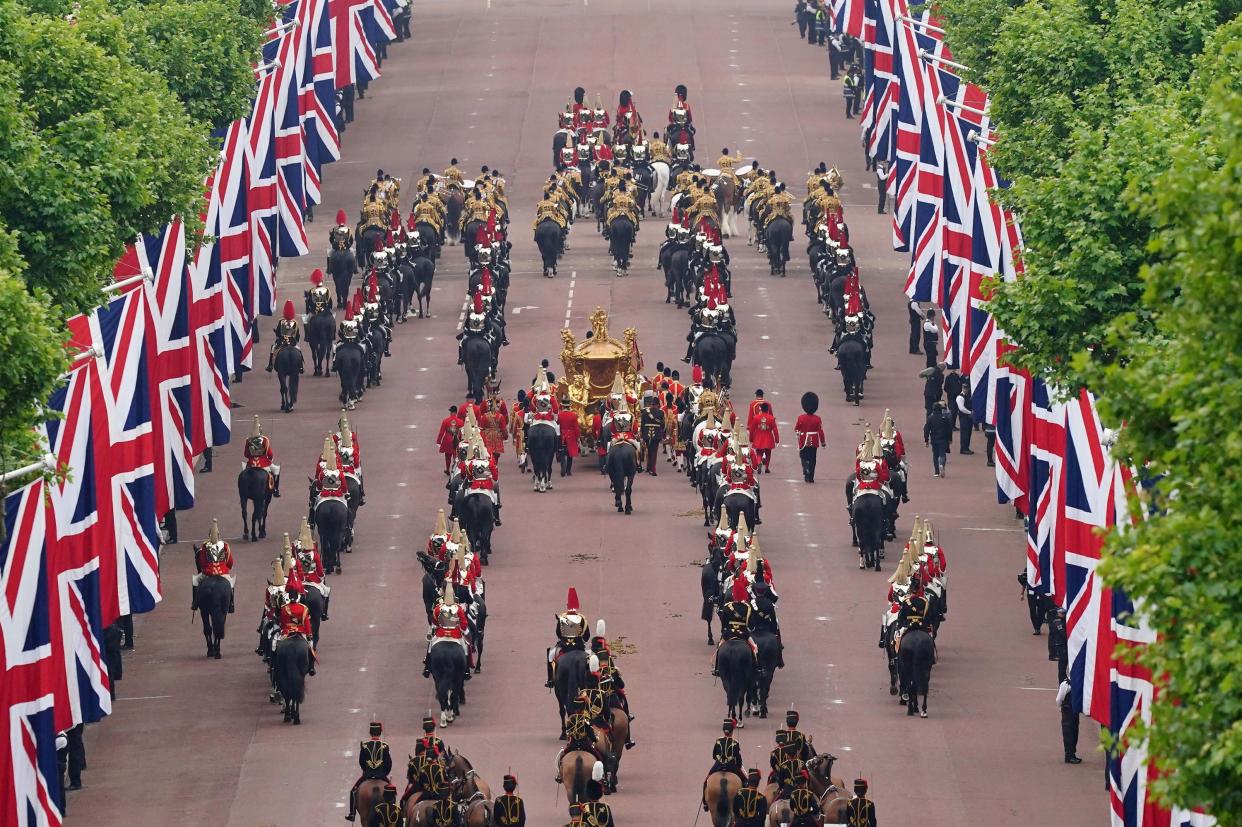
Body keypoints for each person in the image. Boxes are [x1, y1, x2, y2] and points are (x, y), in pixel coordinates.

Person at [346, 722, 392, 822]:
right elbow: (388, 764)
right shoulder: (385, 746)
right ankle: (393, 813)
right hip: (381, 775)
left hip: (367, 774)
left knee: (353, 791)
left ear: (370, 732)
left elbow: (361, 762)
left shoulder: (365, 746)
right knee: (391, 791)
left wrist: (366, 771)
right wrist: (384, 773)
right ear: (380, 732)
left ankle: (352, 814)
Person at [702, 718, 745, 810]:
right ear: (732, 730)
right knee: (745, 781)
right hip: (731, 766)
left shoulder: (718, 741)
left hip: (718, 765)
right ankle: (744, 802)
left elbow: (714, 755)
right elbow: (738, 758)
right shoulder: (735, 743)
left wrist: (720, 760)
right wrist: (739, 766)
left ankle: (705, 803)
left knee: (706, 781)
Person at [794, 392, 825, 483]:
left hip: (804, 440)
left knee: (803, 456)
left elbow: (796, 429)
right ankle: (810, 477)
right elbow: (820, 431)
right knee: (813, 458)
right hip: (814, 440)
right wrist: (823, 442)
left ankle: (806, 467)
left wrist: (798, 434)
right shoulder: (817, 419)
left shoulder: (801, 418)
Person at [267, 300, 302, 372]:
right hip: (292, 343)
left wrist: (276, 333)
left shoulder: (281, 321)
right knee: (299, 350)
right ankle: (301, 367)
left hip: (281, 342)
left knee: (273, 348)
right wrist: (295, 340)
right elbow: (297, 335)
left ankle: (270, 365)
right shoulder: (295, 322)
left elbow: (278, 333)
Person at [924, 400, 954, 478]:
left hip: (934, 439)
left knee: (935, 455)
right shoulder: (945, 418)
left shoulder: (930, 418)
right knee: (942, 454)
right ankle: (942, 465)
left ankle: (936, 471)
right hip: (943, 439)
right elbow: (949, 429)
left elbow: (926, 429)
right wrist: (950, 438)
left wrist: (926, 440)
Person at [1056, 676, 1082, 763]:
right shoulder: (1066, 684)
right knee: (1068, 733)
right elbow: (1059, 698)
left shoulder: (1078, 682)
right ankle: (1069, 755)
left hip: (1074, 711)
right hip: (1067, 710)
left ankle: (1072, 753)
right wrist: (1060, 707)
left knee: (1075, 732)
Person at [749, 402, 778, 473]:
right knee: (768, 454)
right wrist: (777, 440)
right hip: (768, 438)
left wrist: (751, 438)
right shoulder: (771, 418)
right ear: (768, 410)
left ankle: (759, 462)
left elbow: (751, 429)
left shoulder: (756, 418)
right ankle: (766, 468)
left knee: (759, 453)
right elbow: (775, 430)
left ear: (761, 409)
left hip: (758, 438)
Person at [955, 382, 975, 454]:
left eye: (966, 388)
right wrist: (970, 412)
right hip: (964, 417)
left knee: (969, 432)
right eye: (964, 388)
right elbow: (962, 408)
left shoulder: (968, 396)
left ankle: (966, 447)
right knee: (964, 433)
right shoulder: (960, 397)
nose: (965, 390)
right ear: (962, 388)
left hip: (969, 417)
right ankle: (963, 449)